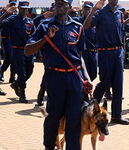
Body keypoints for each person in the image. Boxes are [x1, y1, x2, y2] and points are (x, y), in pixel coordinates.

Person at [24, 0, 93, 149]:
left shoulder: (78, 27)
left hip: (75, 79)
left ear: (68, 7)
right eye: (56, 3)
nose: (58, 6)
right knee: (53, 117)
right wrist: (46, 38)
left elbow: (80, 56)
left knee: (74, 119)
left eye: (62, 3)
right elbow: (28, 50)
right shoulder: (44, 25)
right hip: (55, 78)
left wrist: (86, 78)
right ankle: (49, 146)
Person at [84, 0, 129, 125]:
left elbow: (120, 29)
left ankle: (116, 115)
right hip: (105, 52)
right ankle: (90, 107)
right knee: (104, 82)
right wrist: (94, 10)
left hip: (118, 52)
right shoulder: (100, 13)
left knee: (118, 84)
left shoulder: (119, 13)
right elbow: (86, 25)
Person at [0, 1, 35, 103]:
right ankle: (22, 94)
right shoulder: (12, 19)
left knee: (30, 70)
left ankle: (16, 84)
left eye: (26, 9)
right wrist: (6, 13)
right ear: (19, 8)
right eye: (22, 8)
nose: (24, 11)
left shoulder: (30, 21)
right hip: (17, 49)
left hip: (29, 50)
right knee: (21, 73)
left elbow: (34, 35)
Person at [0, 0, 17, 83]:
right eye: (11, 4)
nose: (13, 5)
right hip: (5, 38)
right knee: (9, 58)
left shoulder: (16, 13)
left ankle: (12, 77)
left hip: (15, 39)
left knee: (14, 59)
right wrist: (6, 12)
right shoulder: (4, 13)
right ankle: (1, 71)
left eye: (14, 4)